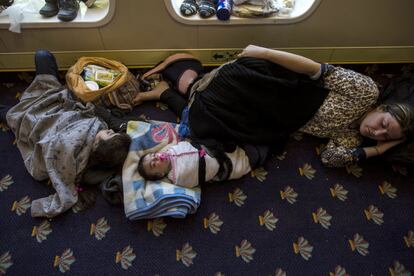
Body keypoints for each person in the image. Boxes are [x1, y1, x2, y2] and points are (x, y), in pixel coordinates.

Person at [133, 45, 414, 168]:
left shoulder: (352, 137)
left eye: (385, 135)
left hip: (275, 121)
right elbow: (316, 70)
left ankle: (168, 91)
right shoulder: (366, 91)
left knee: (203, 130)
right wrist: (263, 51)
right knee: (216, 90)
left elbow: (331, 159)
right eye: (383, 125)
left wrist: (380, 149)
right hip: (277, 89)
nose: (377, 132)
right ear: (383, 108)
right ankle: (185, 71)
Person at [3, 50, 131, 217]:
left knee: (11, 115)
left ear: (99, 146)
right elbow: (86, 111)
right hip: (55, 102)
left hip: (35, 120)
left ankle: (18, 111)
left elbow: (53, 151)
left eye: (110, 134)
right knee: (43, 56)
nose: (110, 130)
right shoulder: (99, 125)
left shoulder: (73, 156)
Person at [137, 141, 253, 187]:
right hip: (219, 165)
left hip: (212, 145)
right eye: (153, 164)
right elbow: (195, 177)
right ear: (160, 174)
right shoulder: (177, 177)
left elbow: (187, 144)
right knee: (243, 162)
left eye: (154, 155)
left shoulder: (171, 150)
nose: (157, 158)